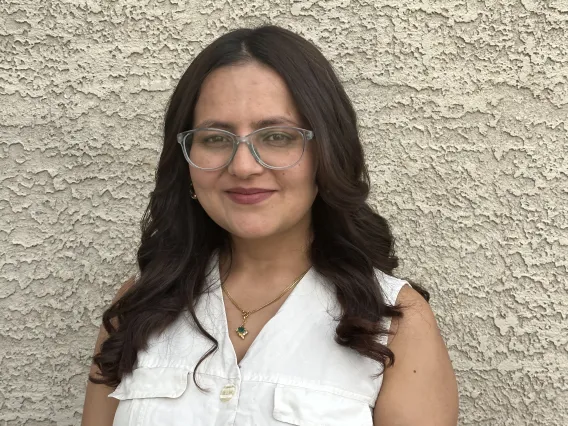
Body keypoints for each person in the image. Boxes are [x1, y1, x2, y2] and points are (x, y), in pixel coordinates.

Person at [81, 24, 458, 426]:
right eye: (215, 137)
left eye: (277, 136)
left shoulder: (393, 322)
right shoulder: (138, 310)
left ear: (327, 154)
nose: (243, 166)